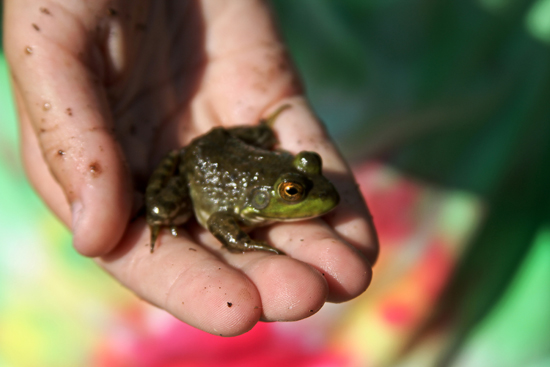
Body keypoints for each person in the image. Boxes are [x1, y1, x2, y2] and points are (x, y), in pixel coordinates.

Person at [3, 0, 378, 336]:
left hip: (231, 144)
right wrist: (244, 241)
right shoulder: (240, 205)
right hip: (197, 167)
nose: (314, 185)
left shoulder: (277, 176)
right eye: (294, 192)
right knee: (162, 209)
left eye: (304, 175)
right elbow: (219, 222)